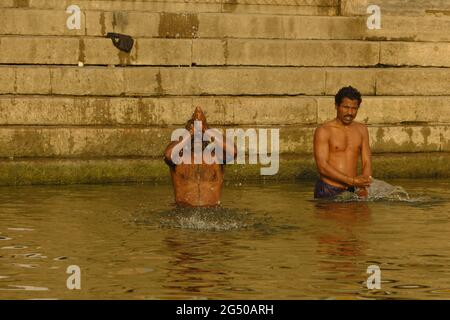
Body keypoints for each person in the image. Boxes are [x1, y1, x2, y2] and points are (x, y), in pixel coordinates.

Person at [164, 107, 237, 207]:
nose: (197, 135)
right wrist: (190, 132)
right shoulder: (178, 157)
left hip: (213, 214)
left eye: (201, 132)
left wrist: (206, 129)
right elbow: (168, 155)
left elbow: (233, 152)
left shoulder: (216, 157)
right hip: (183, 213)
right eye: (193, 131)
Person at [313, 86, 372, 199]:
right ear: (336, 106)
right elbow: (322, 167)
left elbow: (366, 160)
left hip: (353, 188)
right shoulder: (324, 131)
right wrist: (352, 181)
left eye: (354, 108)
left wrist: (364, 185)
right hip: (329, 188)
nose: (350, 112)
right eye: (346, 107)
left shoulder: (362, 129)